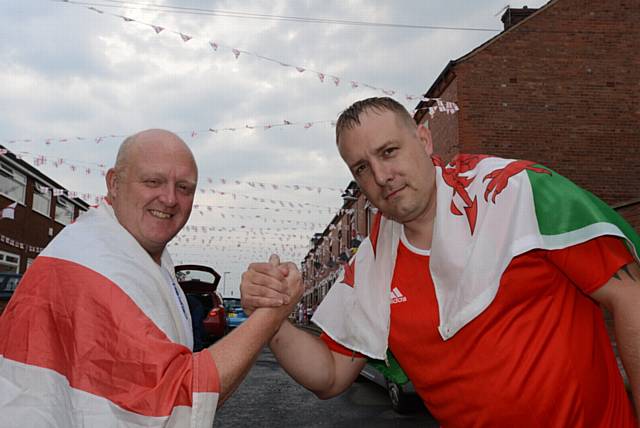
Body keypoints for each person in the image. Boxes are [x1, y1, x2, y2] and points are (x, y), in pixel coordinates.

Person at [240, 98, 640, 427]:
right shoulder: (372, 264)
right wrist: (271, 317)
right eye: (361, 168)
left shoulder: (515, 192)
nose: (381, 176)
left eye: (389, 151)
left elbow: (630, 295)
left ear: (425, 140)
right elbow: (329, 375)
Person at [0, 129, 302, 427]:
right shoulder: (96, 265)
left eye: (184, 187)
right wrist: (271, 313)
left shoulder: (139, 254)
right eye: (152, 181)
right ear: (114, 183)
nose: (170, 199)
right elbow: (177, 399)